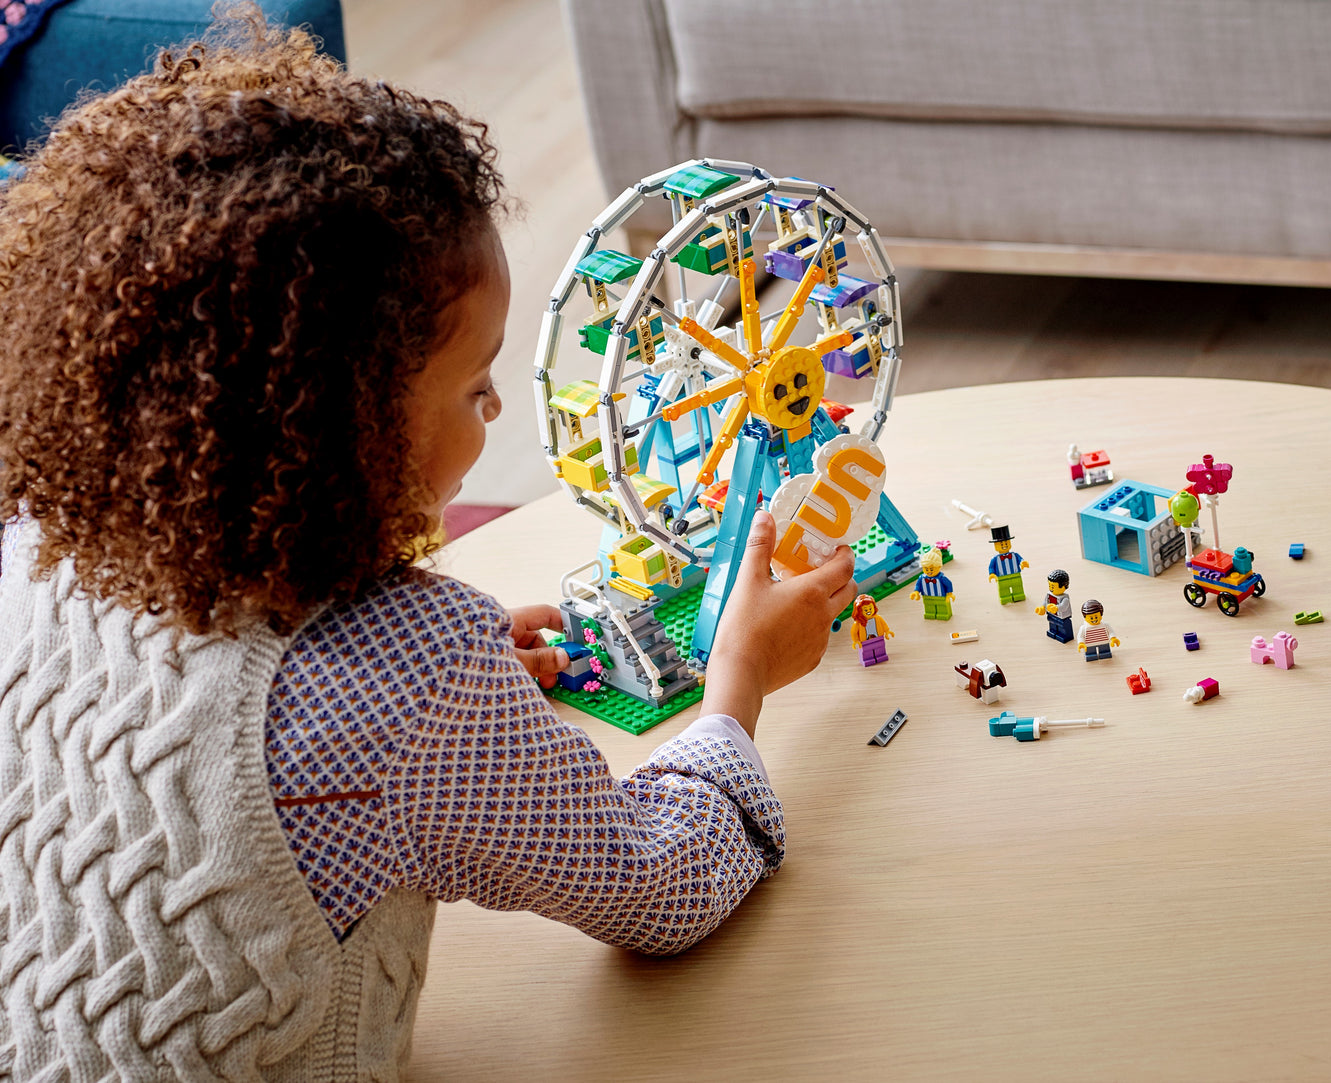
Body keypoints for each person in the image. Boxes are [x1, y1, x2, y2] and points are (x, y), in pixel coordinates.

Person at [0, 9, 856, 1079]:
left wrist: (433, 689)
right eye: (475, 383)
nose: (494, 411)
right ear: (335, 432)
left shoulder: (33, 544)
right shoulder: (413, 673)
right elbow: (660, 886)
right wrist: (739, 677)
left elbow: (222, 717)